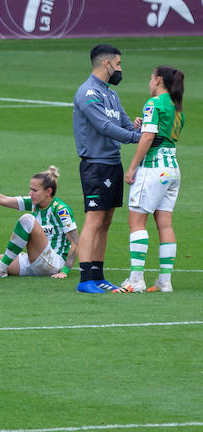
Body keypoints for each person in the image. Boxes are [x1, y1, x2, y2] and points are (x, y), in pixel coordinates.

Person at [73, 43, 143, 293]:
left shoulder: (111, 94)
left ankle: (98, 275)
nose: (120, 68)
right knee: (94, 219)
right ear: (107, 64)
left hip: (113, 163)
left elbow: (124, 124)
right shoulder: (88, 93)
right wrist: (137, 139)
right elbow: (104, 126)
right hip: (96, 165)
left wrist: (140, 127)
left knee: (106, 220)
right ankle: (84, 279)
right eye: (119, 64)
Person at [117, 65, 185, 293]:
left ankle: (135, 280)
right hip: (173, 167)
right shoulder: (177, 108)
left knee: (136, 222)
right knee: (165, 224)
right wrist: (144, 125)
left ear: (157, 80)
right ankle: (165, 281)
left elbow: (148, 138)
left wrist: (132, 167)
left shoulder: (153, 104)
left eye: (150, 78)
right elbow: (161, 133)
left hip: (154, 167)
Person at [0, 166, 79, 280]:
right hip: (34, 261)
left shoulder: (61, 210)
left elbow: (75, 242)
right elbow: (4, 200)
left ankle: (1, 268)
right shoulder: (34, 203)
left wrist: (65, 271)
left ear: (48, 192)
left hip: (53, 264)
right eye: (30, 189)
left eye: (34, 190)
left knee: (27, 219)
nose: (30, 193)